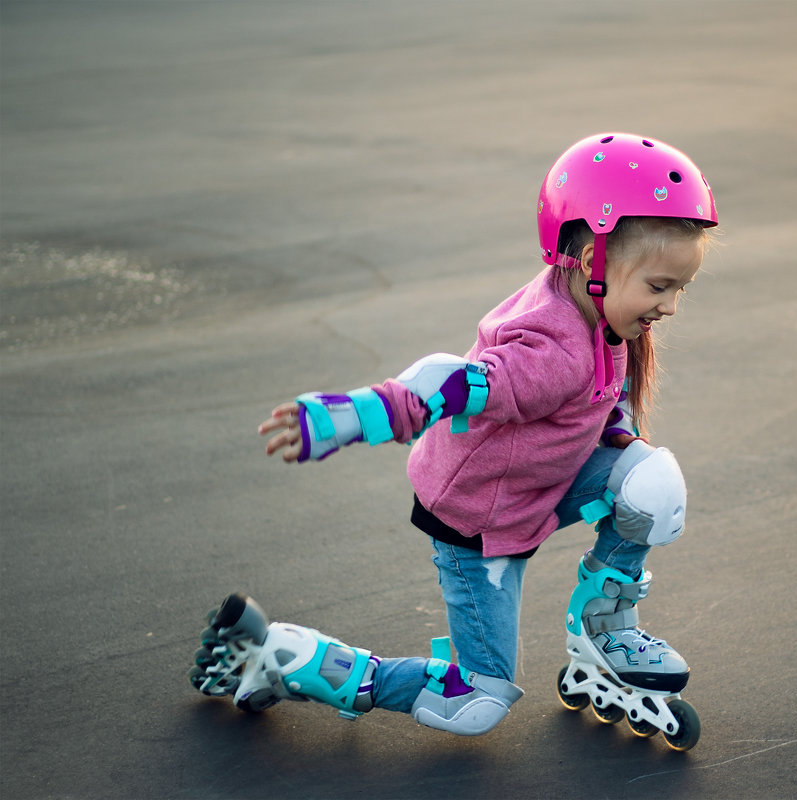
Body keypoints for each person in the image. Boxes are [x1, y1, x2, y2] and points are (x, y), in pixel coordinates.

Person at [190, 132, 718, 746]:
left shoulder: (593, 312)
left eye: (682, 287)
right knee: (474, 702)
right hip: (482, 519)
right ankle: (280, 657)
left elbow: (604, 401)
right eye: (659, 286)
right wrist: (356, 414)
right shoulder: (551, 350)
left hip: (542, 478)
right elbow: (455, 384)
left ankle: (605, 628)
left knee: (651, 482)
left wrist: (620, 433)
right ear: (590, 261)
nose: (672, 305)